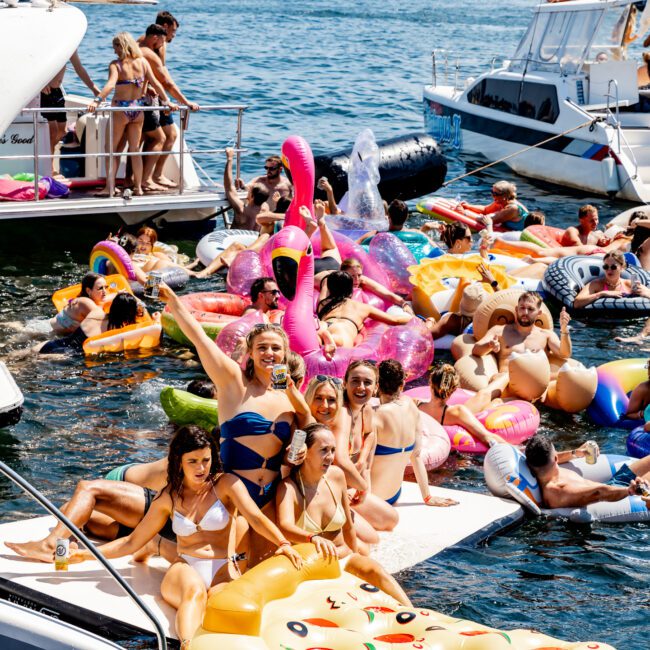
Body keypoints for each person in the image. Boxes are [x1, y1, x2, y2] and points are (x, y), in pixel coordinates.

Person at [67, 425, 302, 650]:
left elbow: (255, 518)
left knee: (224, 607)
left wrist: (283, 543)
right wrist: (84, 555)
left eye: (206, 460)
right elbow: (131, 542)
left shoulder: (227, 485)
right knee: (195, 593)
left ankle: (158, 547)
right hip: (186, 566)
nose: (201, 468)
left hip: (222, 570)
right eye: (193, 462)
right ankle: (187, 646)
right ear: (179, 461)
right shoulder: (168, 498)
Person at [157, 286, 311, 558]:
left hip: (270, 495)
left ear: (285, 354)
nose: (269, 353)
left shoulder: (289, 397)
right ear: (250, 352)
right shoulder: (233, 382)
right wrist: (174, 301)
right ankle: (158, 544)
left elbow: (303, 432)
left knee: (263, 565)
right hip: (230, 495)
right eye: (261, 347)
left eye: (276, 348)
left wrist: (295, 453)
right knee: (227, 563)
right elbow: (199, 338)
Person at [275, 422, 413, 606]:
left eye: (333, 450)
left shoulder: (336, 476)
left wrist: (357, 560)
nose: (330, 457)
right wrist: (312, 538)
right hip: (310, 567)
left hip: (343, 558)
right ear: (305, 452)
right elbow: (285, 527)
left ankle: (415, 614)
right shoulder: (288, 487)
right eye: (324, 450)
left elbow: (348, 526)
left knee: (376, 571)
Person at [90, 32, 177, 197]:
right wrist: (167, 102)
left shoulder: (116, 65)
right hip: (138, 109)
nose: (114, 51)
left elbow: (110, 85)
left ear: (121, 46)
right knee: (135, 150)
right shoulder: (143, 62)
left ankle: (110, 187)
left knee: (111, 150)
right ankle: (138, 188)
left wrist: (97, 101)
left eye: (115, 47)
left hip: (120, 109)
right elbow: (157, 84)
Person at [373, 360, 457, 507]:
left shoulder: (375, 415)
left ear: (377, 385)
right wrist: (427, 497)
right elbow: (416, 456)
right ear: (402, 385)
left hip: (371, 498)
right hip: (393, 495)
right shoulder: (411, 406)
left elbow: (363, 464)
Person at [138, 24, 199, 192]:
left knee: (152, 138)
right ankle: (147, 178)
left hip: (151, 99)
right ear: (160, 33)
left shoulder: (138, 45)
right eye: (173, 32)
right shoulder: (150, 51)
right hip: (152, 101)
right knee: (159, 138)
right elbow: (165, 81)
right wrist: (184, 102)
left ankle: (144, 178)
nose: (173, 36)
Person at [524, 434, 650, 510]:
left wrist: (576, 452)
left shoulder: (542, 468)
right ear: (555, 458)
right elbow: (598, 493)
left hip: (612, 485)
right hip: (617, 496)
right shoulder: (558, 491)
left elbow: (552, 456)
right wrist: (630, 490)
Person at [472, 291, 571, 374]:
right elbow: (476, 350)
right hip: (507, 383)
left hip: (537, 386)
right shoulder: (499, 331)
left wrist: (564, 329)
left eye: (531, 309)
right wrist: (489, 345)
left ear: (539, 313)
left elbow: (565, 354)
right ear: (516, 309)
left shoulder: (546, 335)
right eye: (522, 308)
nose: (525, 312)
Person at [40, 50, 101, 177]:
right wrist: (40, 84)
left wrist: (93, 88)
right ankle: (49, 168)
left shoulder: (69, 46)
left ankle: (45, 155)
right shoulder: (48, 44)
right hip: (45, 93)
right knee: (52, 132)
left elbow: (79, 68)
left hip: (57, 92)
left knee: (61, 132)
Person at [418, 363, 508, 448]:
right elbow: (488, 437)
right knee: (486, 396)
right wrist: (516, 451)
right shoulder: (458, 411)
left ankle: (502, 378)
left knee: (483, 395)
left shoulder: (415, 404)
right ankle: (506, 376)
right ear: (454, 389)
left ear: (430, 382)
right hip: (454, 416)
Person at [317, 271, 412, 348]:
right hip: (344, 329)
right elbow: (394, 320)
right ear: (351, 290)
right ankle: (332, 338)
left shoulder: (323, 303)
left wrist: (330, 277)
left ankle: (322, 335)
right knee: (340, 341)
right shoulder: (362, 307)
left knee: (318, 332)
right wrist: (416, 319)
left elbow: (325, 284)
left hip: (325, 325)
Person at [38, 291, 139, 354]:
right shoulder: (116, 333)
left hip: (53, 344)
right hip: (63, 355)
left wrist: (118, 293)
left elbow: (103, 301)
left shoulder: (96, 311)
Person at [573, 251, 650, 308]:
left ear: (622, 268)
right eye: (606, 267)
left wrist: (643, 294)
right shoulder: (596, 284)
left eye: (613, 267)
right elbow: (577, 303)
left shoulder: (629, 284)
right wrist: (601, 294)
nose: (609, 270)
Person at [224, 148, 271, 230]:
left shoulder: (241, 209)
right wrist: (244, 187)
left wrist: (230, 159)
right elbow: (258, 197)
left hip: (238, 240)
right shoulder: (265, 209)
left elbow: (228, 187)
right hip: (254, 239)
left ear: (252, 196)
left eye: (250, 190)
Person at [460, 181, 529, 231]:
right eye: (492, 192)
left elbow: (487, 220)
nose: (493, 195)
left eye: (496, 194)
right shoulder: (501, 202)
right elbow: (485, 210)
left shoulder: (513, 209)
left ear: (505, 196)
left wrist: (464, 213)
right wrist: (468, 206)